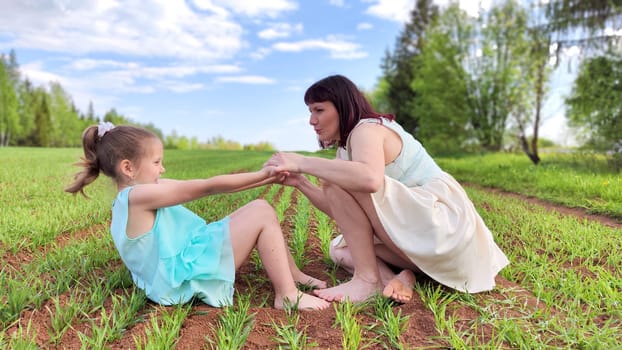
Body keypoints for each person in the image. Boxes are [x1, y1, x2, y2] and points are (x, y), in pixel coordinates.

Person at [265, 74, 509, 303]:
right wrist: (300, 182)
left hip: (443, 226)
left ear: (342, 107)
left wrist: (302, 161)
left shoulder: (366, 129)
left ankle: (366, 280)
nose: (312, 121)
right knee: (340, 250)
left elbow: (369, 179)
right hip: (426, 238)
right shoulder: (346, 149)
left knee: (338, 178)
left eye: (319, 110)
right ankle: (397, 279)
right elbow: (341, 208)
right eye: (310, 112)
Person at [65, 122, 330, 310]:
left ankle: (292, 274)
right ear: (128, 168)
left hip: (174, 267)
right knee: (261, 211)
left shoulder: (136, 195)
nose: (162, 168)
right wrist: (265, 176)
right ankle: (287, 295)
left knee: (260, 208)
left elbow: (207, 183)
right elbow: (208, 187)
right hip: (179, 278)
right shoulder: (139, 198)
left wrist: (269, 179)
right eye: (156, 162)